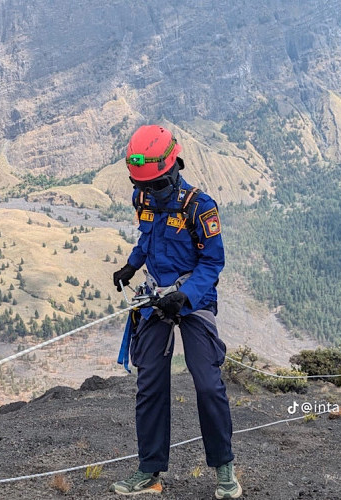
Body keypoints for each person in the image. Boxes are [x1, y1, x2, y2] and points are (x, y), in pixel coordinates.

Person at [109, 125, 241, 498]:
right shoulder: (144, 198)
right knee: (149, 384)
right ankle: (150, 472)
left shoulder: (201, 207)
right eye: (144, 185)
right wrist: (132, 265)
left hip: (192, 300)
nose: (149, 191)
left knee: (207, 382)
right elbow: (148, 238)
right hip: (154, 297)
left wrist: (185, 296)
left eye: (155, 184)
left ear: (173, 168)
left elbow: (213, 262)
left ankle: (224, 468)